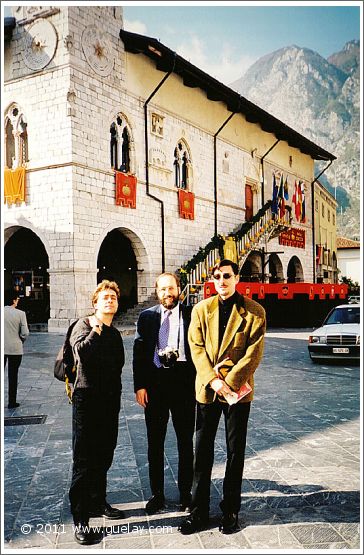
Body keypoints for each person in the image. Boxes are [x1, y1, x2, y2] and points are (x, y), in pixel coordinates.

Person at [179, 259, 266, 535]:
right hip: (207, 390)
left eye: (227, 276)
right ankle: (198, 511)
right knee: (201, 452)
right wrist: (214, 381)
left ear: (237, 277)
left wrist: (228, 384)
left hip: (238, 394)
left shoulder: (254, 312)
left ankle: (230, 510)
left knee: (234, 452)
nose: (222, 281)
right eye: (217, 276)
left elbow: (253, 354)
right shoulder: (202, 310)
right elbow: (196, 347)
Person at [133, 273, 196, 514]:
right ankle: (157, 494)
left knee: (185, 441)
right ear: (156, 291)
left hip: (183, 383)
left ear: (179, 289)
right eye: (162, 289)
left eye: (171, 288)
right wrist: (140, 386)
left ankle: (185, 494)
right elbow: (139, 354)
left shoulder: (192, 313)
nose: (167, 293)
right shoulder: (147, 317)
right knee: (154, 443)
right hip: (155, 385)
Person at [69, 280, 125, 545]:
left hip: (108, 402)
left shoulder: (115, 334)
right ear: (95, 302)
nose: (109, 301)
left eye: (113, 297)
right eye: (105, 297)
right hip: (86, 400)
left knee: (104, 454)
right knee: (84, 459)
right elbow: (81, 353)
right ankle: (80, 519)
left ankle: (97, 501)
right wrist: (96, 329)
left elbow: (118, 367)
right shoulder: (83, 325)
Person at [4, 290, 29, 409]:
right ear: (14, 300)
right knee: (13, 375)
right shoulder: (20, 314)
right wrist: (20, 340)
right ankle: (11, 401)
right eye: (17, 299)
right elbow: (25, 333)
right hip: (15, 348)